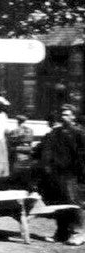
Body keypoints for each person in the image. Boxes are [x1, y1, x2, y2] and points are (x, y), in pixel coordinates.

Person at [33, 105, 85, 245]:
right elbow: (44, 149)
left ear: (73, 116)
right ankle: (61, 232)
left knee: (74, 203)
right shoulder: (56, 133)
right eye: (62, 114)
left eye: (67, 114)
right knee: (59, 203)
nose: (64, 117)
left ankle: (79, 233)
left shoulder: (79, 133)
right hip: (57, 174)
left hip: (72, 174)